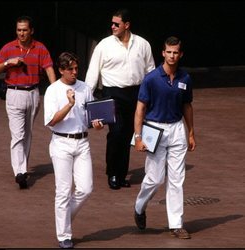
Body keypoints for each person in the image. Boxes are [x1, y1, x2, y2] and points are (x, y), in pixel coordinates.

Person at [133, 36, 196, 239]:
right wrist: (138, 136)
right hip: (154, 129)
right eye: (168, 51)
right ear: (163, 53)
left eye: (175, 52)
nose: (172, 55)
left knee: (177, 179)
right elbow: (140, 109)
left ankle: (176, 224)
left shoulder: (185, 79)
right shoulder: (151, 79)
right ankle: (140, 207)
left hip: (177, 129)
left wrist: (191, 132)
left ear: (181, 54)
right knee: (155, 178)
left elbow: (187, 105)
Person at [85, 9, 155, 190]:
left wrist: (152, 95)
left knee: (127, 135)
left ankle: (122, 174)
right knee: (116, 133)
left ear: (127, 25)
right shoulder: (104, 45)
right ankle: (113, 173)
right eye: (112, 23)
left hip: (136, 94)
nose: (113, 26)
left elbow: (150, 71)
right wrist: (86, 98)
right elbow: (93, 73)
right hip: (113, 94)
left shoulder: (142, 44)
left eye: (116, 24)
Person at [44, 52, 103, 249]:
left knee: (86, 188)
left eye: (77, 68)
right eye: (70, 69)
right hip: (61, 143)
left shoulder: (85, 87)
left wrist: (96, 123)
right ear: (61, 70)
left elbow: (90, 115)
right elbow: (51, 121)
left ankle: (63, 219)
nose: (75, 72)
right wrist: (69, 104)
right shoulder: (53, 91)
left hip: (82, 142)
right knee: (63, 191)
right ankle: (64, 235)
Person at [0, 15, 56, 189]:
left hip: (33, 93)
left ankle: (23, 166)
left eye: (24, 30)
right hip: (14, 93)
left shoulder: (40, 48)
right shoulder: (8, 48)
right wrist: (8, 62)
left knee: (27, 132)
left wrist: (55, 89)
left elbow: (49, 68)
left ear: (31, 31)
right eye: (19, 30)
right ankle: (20, 172)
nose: (21, 33)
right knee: (18, 134)